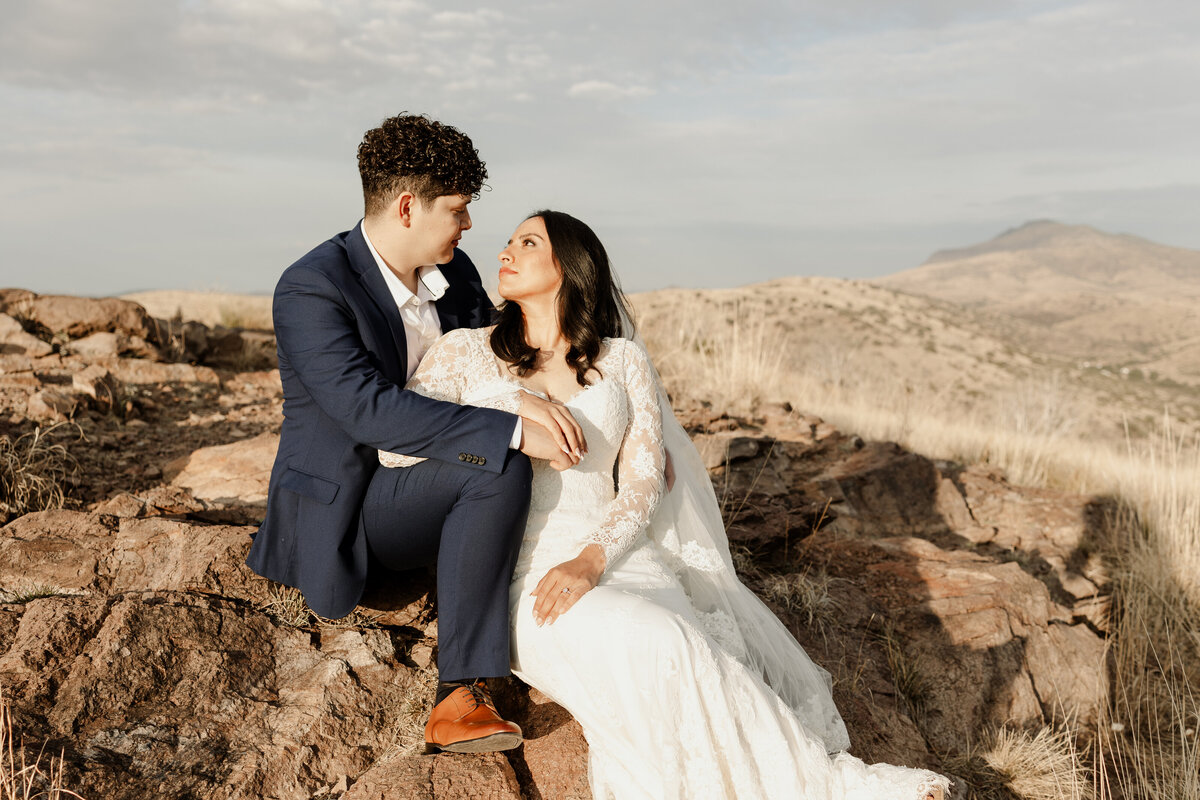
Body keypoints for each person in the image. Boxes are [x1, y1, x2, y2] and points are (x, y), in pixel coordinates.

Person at [380, 210, 953, 799]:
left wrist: (593, 559)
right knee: (664, 643)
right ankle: (826, 788)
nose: (505, 251)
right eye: (508, 241)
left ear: (571, 268)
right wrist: (506, 410)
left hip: (618, 556)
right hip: (523, 572)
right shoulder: (463, 353)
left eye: (527, 243)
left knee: (689, 645)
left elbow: (644, 483)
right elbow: (397, 454)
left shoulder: (624, 361)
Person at [246, 115, 588, 757]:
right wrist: (509, 426)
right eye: (457, 210)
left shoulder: (455, 280)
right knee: (502, 462)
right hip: (353, 507)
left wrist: (614, 416)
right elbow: (367, 410)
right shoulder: (312, 286)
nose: (467, 226)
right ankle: (458, 696)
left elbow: (508, 355)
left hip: (429, 482)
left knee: (516, 458)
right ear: (408, 207)